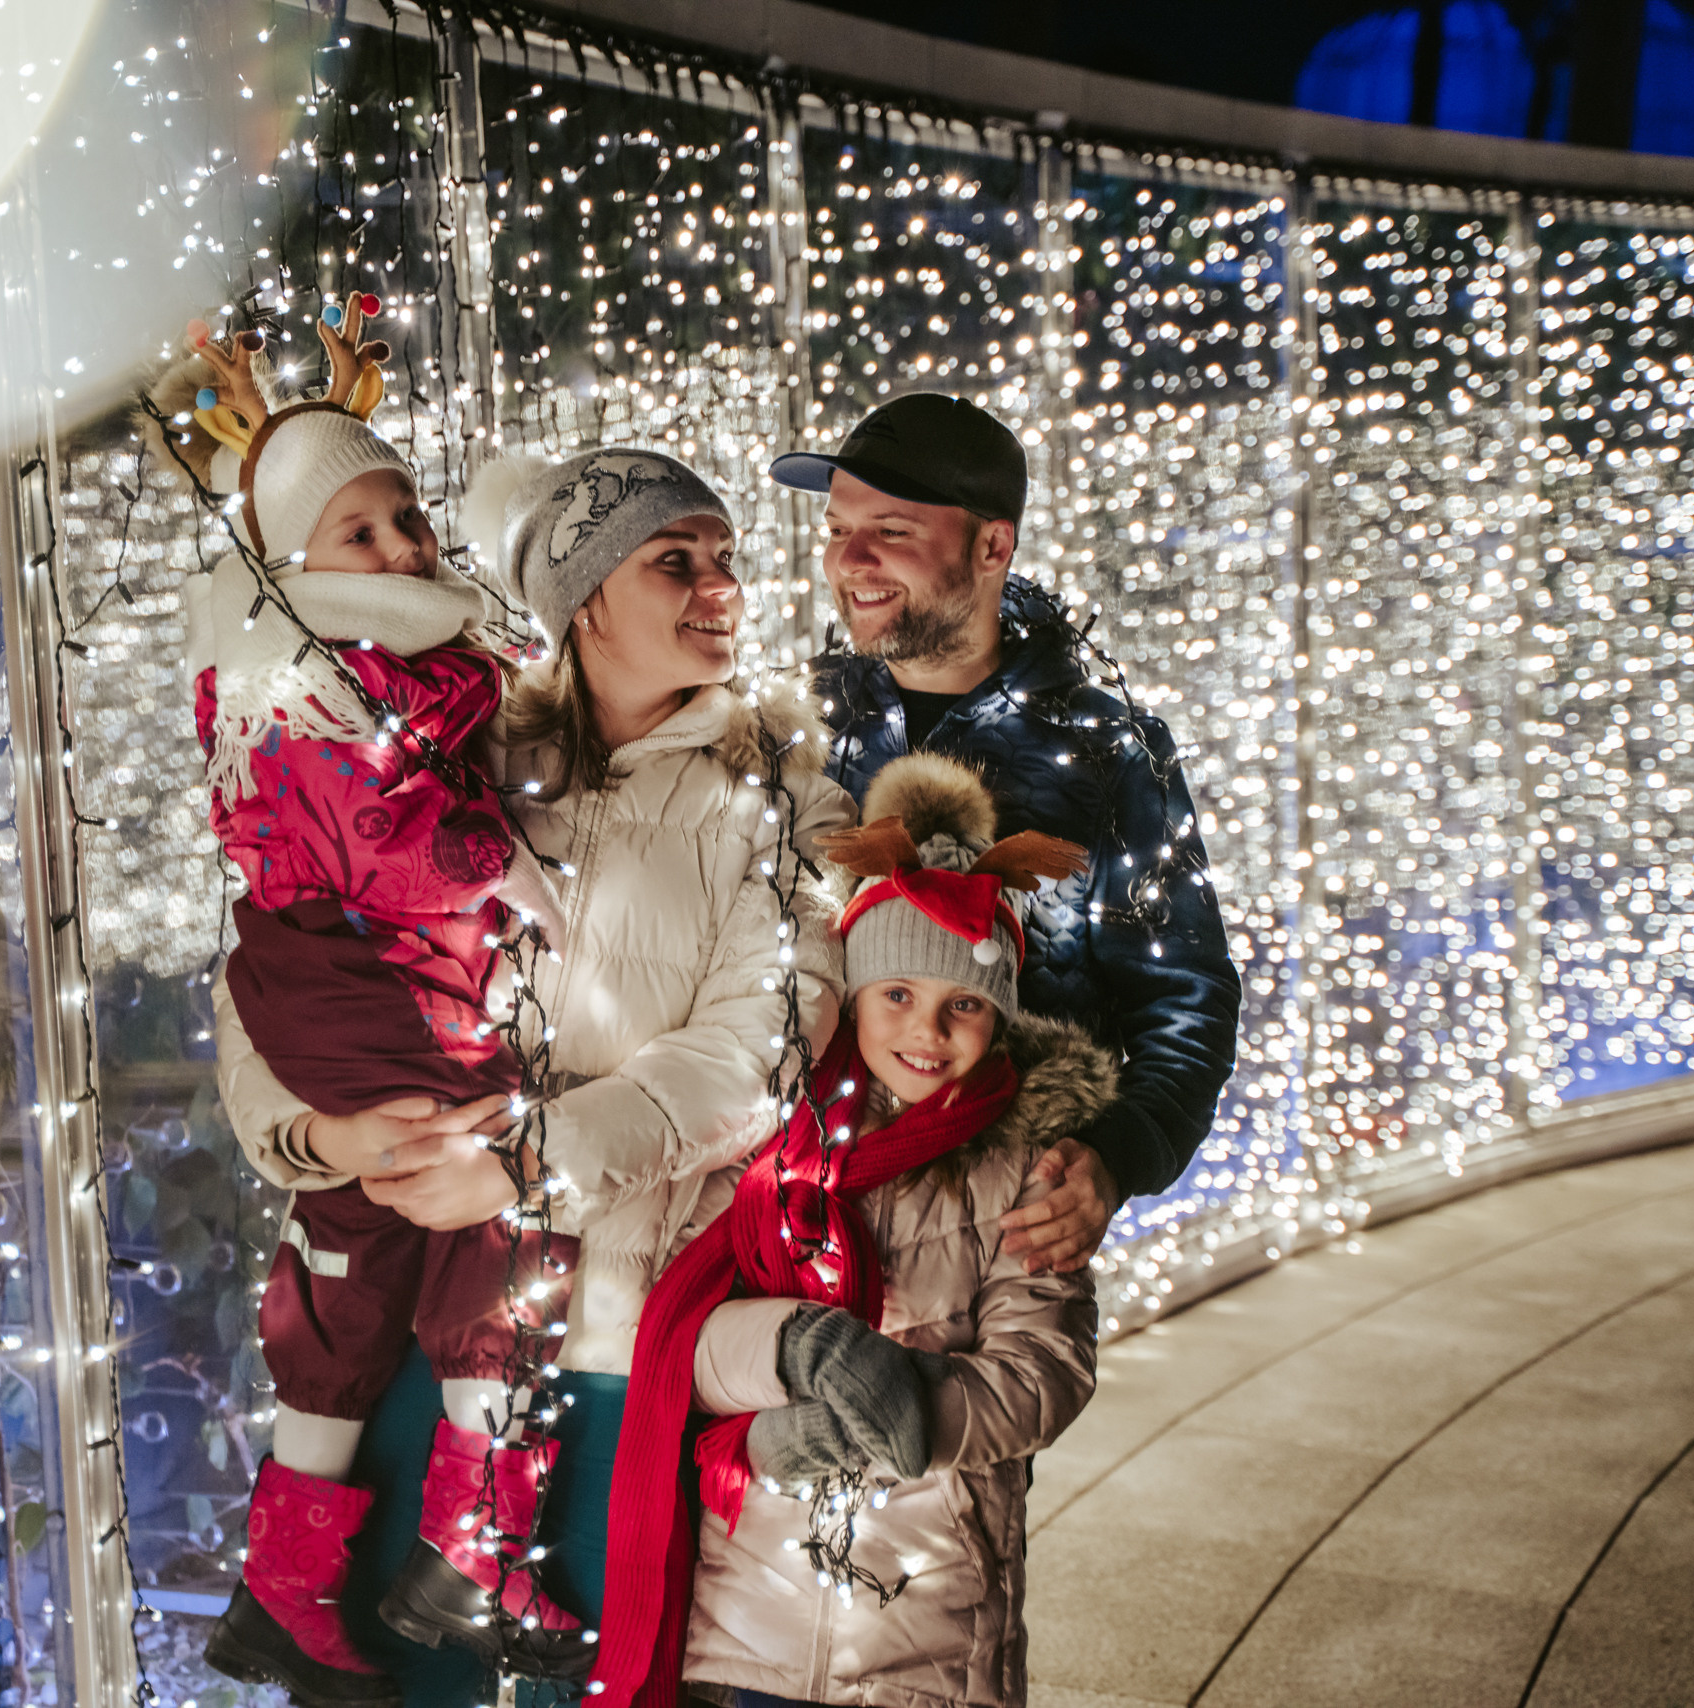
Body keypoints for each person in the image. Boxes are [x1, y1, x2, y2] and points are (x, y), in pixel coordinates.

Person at [211, 446, 856, 1705]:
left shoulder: (781, 800)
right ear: (582, 597)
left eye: (724, 559)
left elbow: (755, 1052)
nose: (718, 584)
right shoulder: (441, 759)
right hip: (392, 1342)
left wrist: (515, 1171)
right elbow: (280, 969)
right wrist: (322, 1138)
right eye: (676, 560)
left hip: (614, 1345)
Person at [176, 297, 578, 1707]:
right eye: (365, 534)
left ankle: (292, 1585)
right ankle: (468, 1548)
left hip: (345, 996)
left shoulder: (385, 670)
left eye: (404, 518)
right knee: (495, 1214)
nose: (405, 549)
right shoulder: (311, 687)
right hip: (356, 995)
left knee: (357, 1257)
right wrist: (513, 874)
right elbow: (403, 857)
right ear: (293, 557)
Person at [593, 754, 1106, 1708]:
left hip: (927, 1628)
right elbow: (679, 1335)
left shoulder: (1021, 1164)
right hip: (744, 1616)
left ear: (998, 1021)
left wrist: (899, 1412)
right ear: (856, 995)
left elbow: (1045, 1369)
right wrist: (794, 1352)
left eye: (964, 1005)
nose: (928, 1029)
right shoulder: (777, 1143)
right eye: (897, 995)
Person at [773, 393, 1242, 1268]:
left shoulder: (1104, 751)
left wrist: (1113, 1161)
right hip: (797, 1212)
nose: (851, 560)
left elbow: (1185, 995)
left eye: (893, 531)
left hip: (1000, 1236)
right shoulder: (794, 725)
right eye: (837, 529)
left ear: (993, 546)